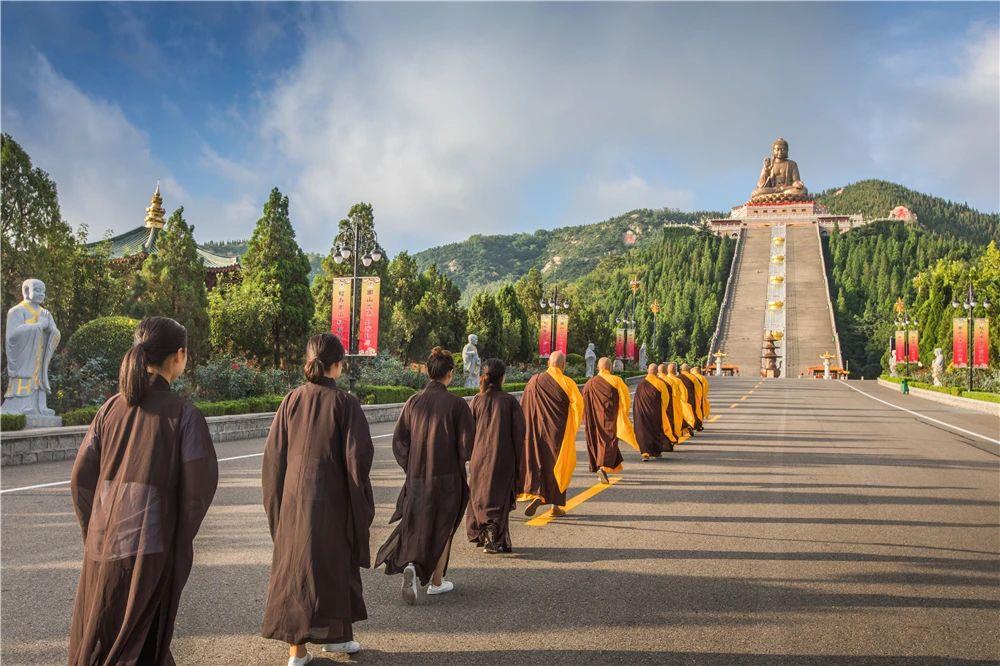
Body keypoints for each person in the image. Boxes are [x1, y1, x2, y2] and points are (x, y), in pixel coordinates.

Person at [69, 317, 218, 666]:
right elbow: (198, 490)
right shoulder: (183, 415)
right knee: (140, 641)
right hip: (150, 550)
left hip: (105, 544)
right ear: (179, 356)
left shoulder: (110, 409)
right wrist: (177, 538)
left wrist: (94, 532)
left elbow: (81, 480)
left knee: (103, 635)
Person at [261, 334, 375, 665]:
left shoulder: (291, 400)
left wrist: (278, 504)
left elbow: (274, 459)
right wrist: (361, 505)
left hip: (294, 502)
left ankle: (300, 650)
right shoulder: (346, 404)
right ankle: (335, 638)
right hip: (333, 503)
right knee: (334, 569)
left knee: (296, 571)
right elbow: (358, 460)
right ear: (337, 366)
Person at [376, 347, 475, 605]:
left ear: (429, 372)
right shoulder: (457, 405)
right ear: (450, 374)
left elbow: (400, 441)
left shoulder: (413, 402)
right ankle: (437, 582)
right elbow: (467, 447)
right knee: (443, 528)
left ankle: (410, 563)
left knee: (417, 523)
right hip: (448, 478)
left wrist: (412, 466)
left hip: (418, 477)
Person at [466, 358, 525, 554]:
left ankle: (484, 533)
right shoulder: (509, 401)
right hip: (502, 457)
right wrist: (519, 460)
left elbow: (468, 433)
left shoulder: (476, 401)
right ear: (502, 378)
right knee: (499, 497)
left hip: (479, 457)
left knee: (479, 495)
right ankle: (494, 536)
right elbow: (519, 433)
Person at [518, 351, 584, 517]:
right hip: (557, 434)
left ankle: (538, 493)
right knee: (559, 465)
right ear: (563, 365)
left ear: (548, 363)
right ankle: (554, 506)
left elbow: (524, 405)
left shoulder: (534, 381)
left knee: (539, 462)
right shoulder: (568, 383)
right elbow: (578, 409)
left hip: (536, 433)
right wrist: (572, 429)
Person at [582, 357, 638, 481]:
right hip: (610, 419)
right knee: (608, 442)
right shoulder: (616, 380)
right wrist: (623, 414)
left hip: (594, 421)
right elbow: (626, 399)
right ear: (610, 368)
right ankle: (602, 468)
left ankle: (601, 466)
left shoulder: (589, 383)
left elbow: (584, 403)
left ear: (598, 367)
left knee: (598, 442)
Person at [633, 363, 676, 459]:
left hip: (642, 413)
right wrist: (662, 410)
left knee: (643, 431)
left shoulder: (641, 384)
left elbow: (636, 400)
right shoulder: (660, 383)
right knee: (655, 430)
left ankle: (644, 452)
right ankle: (656, 452)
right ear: (657, 372)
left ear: (648, 371)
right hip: (655, 413)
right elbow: (666, 399)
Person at [659, 363, 694, 443]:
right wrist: (684, 402)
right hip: (676, 404)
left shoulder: (660, 380)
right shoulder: (676, 380)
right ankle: (677, 434)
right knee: (677, 420)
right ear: (674, 370)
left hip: (662, 405)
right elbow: (684, 393)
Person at [679, 363, 704, 431]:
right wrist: (698, 398)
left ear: (681, 370)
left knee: (681, 412)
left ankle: (684, 426)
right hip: (692, 399)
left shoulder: (677, 378)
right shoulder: (693, 378)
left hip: (680, 399)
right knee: (693, 412)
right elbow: (699, 390)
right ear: (689, 370)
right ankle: (694, 425)